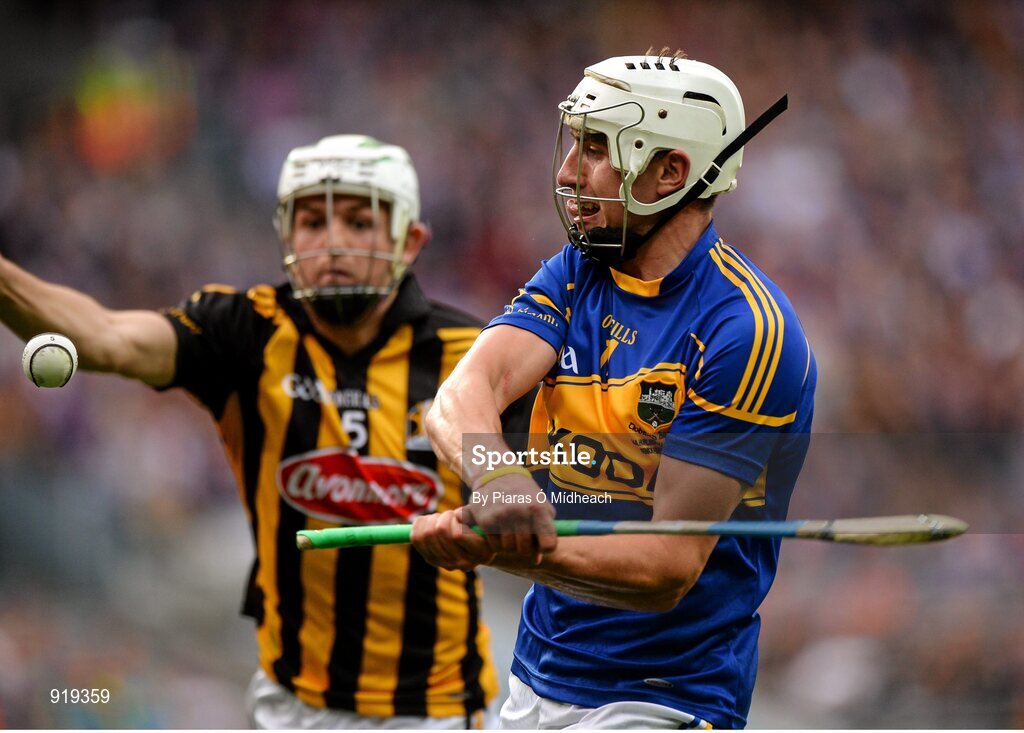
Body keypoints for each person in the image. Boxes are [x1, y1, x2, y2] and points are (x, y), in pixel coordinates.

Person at [0, 134, 527, 729]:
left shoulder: (471, 354)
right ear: (285, 235)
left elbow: (550, 496)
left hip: (436, 713)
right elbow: (105, 337)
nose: (332, 242)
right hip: (289, 707)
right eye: (312, 222)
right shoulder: (245, 331)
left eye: (359, 222)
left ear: (410, 241)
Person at [410, 52, 817, 729]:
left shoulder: (746, 331)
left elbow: (666, 569)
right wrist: (498, 477)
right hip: (534, 677)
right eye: (575, 143)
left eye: (598, 148)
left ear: (671, 172)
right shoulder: (578, 271)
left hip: (662, 698)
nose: (568, 171)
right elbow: (465, 391)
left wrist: (508, 546)